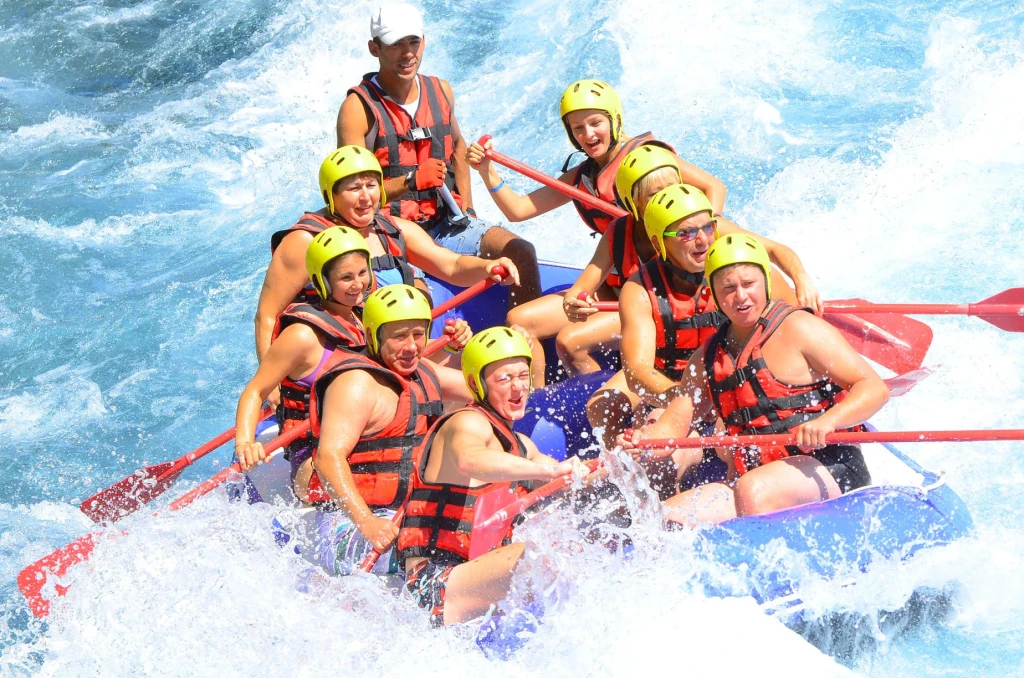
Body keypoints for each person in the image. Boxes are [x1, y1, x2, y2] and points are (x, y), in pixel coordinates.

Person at [466, 80, 726, 380]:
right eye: (577, 128)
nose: (588, 135)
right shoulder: (583, 179)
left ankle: (618, 395)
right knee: (520, 320)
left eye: (595, 123)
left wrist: (704, 234)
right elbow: (519, 210)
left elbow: (713, 187)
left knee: (570, 340)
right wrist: (486, 171)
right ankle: (534, 399)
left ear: (614, 121)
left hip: (656, 292)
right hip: (613, 283)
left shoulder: (649, 160)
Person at [621, 235, 889, 525]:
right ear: (714, 294)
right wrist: (642, 442)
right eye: (728, 288)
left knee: (753, 490)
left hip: (828, 466)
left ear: (765, 283)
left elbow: (873, 388)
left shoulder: (801, 328)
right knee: (665, 519)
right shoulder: (706, 359)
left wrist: (828, 422)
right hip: (752, 478)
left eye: (749, 284)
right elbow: (673, 426)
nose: (741, 296)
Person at [234, 228, 471, 501]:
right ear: (322, 280)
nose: (358, 284)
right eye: (346, 277)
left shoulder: (362, 317)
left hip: (371, 435)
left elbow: (397, 366)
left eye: (362, 273)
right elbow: (255, 391)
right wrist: (245, 443)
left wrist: (448, 345)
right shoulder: (303, 335)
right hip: (316, 455)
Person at [588, 183, 819, 459]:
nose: (702, 241)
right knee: (611, 411)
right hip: (670, 381)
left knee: (728, 433)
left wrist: (801, 279)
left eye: (708, 228)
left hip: (730, 381)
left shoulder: (743, 277)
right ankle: (620, 463)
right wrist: (684, 398)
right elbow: (637, 371)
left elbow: (790, 335)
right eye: (685, 233)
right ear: (658, 243)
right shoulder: (639, 291)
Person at [336, 2, 541, 307]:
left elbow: (457, 146)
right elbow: (348, 196)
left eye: (413, 42)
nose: (408, 53)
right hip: (393, 234)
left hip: (447, 224)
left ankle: (527, 332)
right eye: (396, 45)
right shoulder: (357, 109)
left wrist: (467, 208)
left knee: (521, 252)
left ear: (424, 41)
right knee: (417, 302)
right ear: (374, 48)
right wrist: (411, 181)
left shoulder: (441, 90)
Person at [397, 327, 588, 627]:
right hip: (431, 585)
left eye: (523, 376)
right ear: (477, 384)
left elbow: (571, 481)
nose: (518, 388)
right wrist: (549, 471)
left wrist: (617, 461)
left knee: (572, 543)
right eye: (504, 379)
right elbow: (469, 460)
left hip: (472, 576)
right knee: (535, 556)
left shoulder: (522, 445)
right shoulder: (466, 422)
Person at [254, 146, 518, 362]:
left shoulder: (392, 229)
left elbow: (452, 265)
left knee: (489, 361)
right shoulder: (305, 241)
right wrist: (271, 387)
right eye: (353, 189)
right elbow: (266, 315)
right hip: (335, 358)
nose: (365, 198)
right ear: (331, 196)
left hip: (391, 352)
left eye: (371, 185)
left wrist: (488, 267)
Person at [299, 284, 475, 573]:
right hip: (348, 527)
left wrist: (506, 364)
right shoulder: (356, 383)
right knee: (451, 550)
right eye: (399, 336)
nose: (411, 346)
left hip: (406, 513)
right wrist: (367, 522)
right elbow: (328, 458)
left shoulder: (422, 371)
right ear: (372, 336)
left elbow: (480, 390)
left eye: (418, 334)